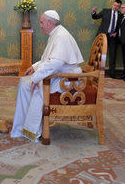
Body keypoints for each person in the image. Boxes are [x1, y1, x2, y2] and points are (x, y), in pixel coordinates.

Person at [11, 10, 84, 142]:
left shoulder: (61, 36)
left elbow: (55, 63)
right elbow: (48, 59)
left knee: (36, 86)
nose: (40, 25)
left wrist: (36, 78)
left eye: (42, 22)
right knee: (24, 82)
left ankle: (32, 130)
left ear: (50, 23)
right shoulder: (56, 34)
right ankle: (23, 127)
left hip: (67, 79)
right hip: (60, 75)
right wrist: (34, 67)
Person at [91, 0, 122, 78]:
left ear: (119, 7)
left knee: (112, 55)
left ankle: (112, 74)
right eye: (115, 5)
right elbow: (95, 17)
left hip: (113, 37)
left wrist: (117, 33)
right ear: (112, 4)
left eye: (118, 6)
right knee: (101, 54)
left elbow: (121, 27)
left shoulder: (120, 14)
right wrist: (94, 12)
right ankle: (98, 72)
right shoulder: (105, 11)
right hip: (103, 36)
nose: (115, 7)